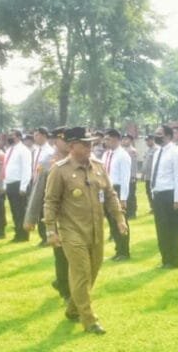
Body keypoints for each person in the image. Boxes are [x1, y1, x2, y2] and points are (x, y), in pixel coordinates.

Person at [43, 126, 128, 335]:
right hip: (72, 231)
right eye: (85, 143)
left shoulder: (98, 167)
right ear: (72, 146)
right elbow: (50, 202)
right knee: (81, 271)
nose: (90, 147)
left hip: (96, 230)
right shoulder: (59, 170)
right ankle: (89, 320)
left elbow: (110, 195)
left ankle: (73, 308)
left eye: (91, 143)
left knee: (92, 271)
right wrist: (50, 230)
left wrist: (119, 218)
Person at [24, 127, 71, 301]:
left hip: (76, 216)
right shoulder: (47, 162)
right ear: (56, 141)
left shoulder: (79, 159)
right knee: (61, 254)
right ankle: (66, 291)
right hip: (55, 215)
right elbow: (38, 191)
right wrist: (30, 217)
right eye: (65, 140)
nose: (69, 143)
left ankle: (63, 282)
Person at [150, 125, 178, 268]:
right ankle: (165, 258)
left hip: (169, 194)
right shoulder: (158, 152)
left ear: (169, 136)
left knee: (172, 229)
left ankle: (174, 259)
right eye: (156, 133)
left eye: (160, 134)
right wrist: (153, 191)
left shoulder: (175, 153)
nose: (157, 136)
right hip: (158, 194)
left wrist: (177, 199)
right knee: (161, 229)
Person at [101, 129, 132, 261]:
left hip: (117, 189)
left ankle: (124, 251)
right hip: (106, 190)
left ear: (115, 139)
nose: (105, 141)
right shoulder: (106, 154)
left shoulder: (123, 155)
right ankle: (118, 250)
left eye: (107, 139)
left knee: (120, 221)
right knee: (112, 222)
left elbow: (125, 178)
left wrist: (124, 198)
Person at [3, 128, 32, 242]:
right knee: (15, 211)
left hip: (19, 183)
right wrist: (5, 184)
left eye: (12, 135)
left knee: (21, 211)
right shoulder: (9, 150)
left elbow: (26, 169)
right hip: (10, 184)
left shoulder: (23, 150)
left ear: (19, 137)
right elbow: (6, 168)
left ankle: (24, 235)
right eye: (9, 135)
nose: (10, 137)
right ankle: (17, 233)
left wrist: (23, 186)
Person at [32, 127, 55, 245]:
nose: (35, 137)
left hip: (45, 184)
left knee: (45, 211)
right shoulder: (36, 151)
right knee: (38, 211)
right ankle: (42, 237)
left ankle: (47, 236)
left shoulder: (49, 152)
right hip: (36, 183)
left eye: (37, 135)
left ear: (44, 136)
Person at [121, 133, 139, 219]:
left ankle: (132, 212)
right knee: (124, 194)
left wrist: (133, 176)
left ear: (131, 141)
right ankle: (126, 211)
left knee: (131, 195)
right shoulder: (121, 150)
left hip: (130, 177)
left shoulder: (132, 151)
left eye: (126, 139)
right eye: (123, 139)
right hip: (123, 177)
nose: (124, 141)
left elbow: (133, 165)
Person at [141, 134, 157, 214]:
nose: (147, 142)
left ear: (153, 140)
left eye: (149, 140)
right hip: (147, 176)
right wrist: (142, 174)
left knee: (153, 192)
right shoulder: (147, 150)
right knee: (148, 191)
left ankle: (155, 207)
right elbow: (145, 163)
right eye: (146, 141)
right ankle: (152, 207)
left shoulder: (156, 149)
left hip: (153, 176)